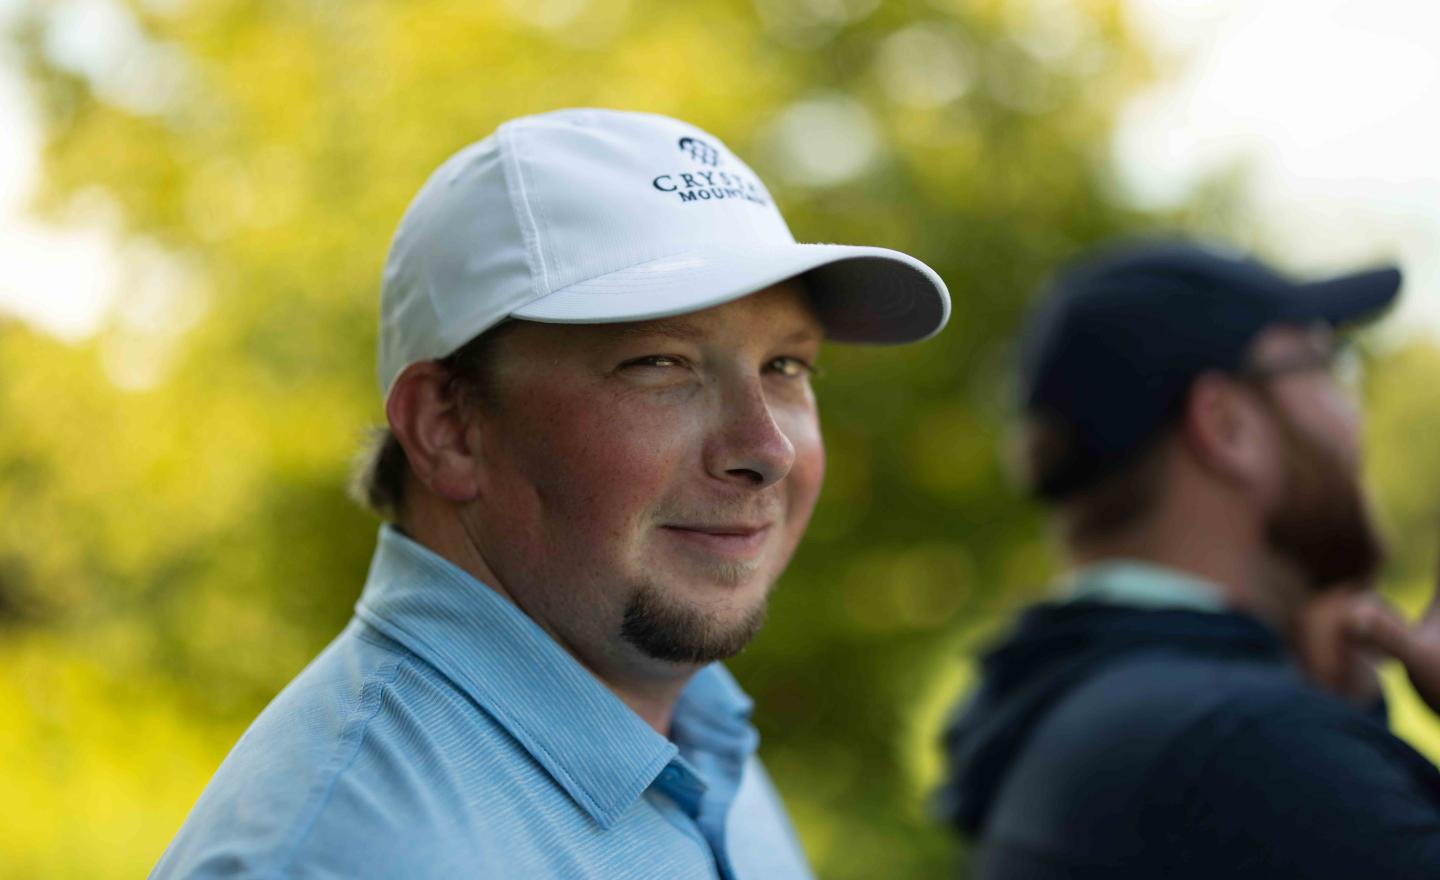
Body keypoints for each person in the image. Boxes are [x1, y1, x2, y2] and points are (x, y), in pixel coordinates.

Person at [153, 108, 950, 878]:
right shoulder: (342, 853)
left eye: (786, 367)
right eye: (660, 363)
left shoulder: (696, 736)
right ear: (448, 429)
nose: (766, 450)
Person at [937, 236, 1440, 878]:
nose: (1356, 420)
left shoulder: (1056, 699)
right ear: (1225, 424)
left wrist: (1337, 713)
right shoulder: (1256, 750)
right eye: (1327, 367)